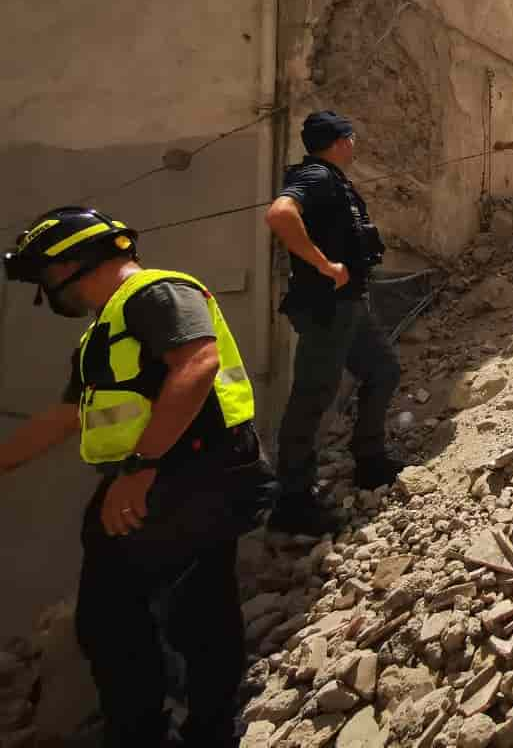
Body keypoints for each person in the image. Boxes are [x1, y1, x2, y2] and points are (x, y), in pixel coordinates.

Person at [1, 206, 276, 748]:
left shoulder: (155, 293)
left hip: (191, 472)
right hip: (168, 475)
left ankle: (175, 732)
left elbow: (198, 365)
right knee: (169, 612)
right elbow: (68, 415)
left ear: (73, 262)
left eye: (46, 276)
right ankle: (188, 729)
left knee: (129, 618)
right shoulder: (102, 334)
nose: (47, 292)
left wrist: (141, 468)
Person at [265, 110, 401, 535]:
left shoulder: (332, 179)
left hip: (348, 304)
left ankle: (370, 461)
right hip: (327, 306)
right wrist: (325, 265)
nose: (356, 144)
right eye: (352, 137)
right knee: (312, 397)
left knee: (383, 371)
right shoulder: (316, 177)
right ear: (341, 140)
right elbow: (280, 214)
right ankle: (293, 502)